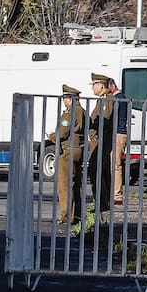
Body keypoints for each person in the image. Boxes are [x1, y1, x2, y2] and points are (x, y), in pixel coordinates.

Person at [47, 84, 85, 224]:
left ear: (69, 99)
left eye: (65, 98)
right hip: (79, 148)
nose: (64, 100)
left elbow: (63, 132)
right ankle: (77, 214)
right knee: (75, 183)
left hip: (68, 150)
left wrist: (51, 136)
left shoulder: (69, 113)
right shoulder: (83, 111)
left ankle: (66, 216)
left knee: (64, 184)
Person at [88, 73, 114, 213]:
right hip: (99, 138)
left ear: (101, 86)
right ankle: (103, 202)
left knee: (96, 169)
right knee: (102, 170)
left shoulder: (107, 100)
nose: (92, 87)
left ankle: (102, 203)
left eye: (94, 85)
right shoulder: (102, 99)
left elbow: (104, 118)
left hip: (102, 139)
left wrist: (94, 127)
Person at [108, 77, 129, 204]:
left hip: (118, 134)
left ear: (111, 86)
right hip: (119, 133)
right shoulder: (122, 96)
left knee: (116, 165)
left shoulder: (117, 99)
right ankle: (115, 193)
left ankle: (117, 195)